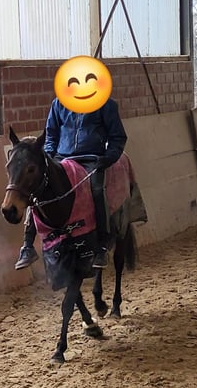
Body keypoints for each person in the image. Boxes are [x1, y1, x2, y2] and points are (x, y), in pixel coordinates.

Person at [15, 96, 127, 270]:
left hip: (91, 158)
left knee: (97, 190)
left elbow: (117, 137)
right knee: (38, 188)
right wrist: (50, 157)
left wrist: (109, 157)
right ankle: (28, 246)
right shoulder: (59, 103)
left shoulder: (106, 104)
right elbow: (51, 134)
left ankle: (102, 245)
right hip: (62, 158)